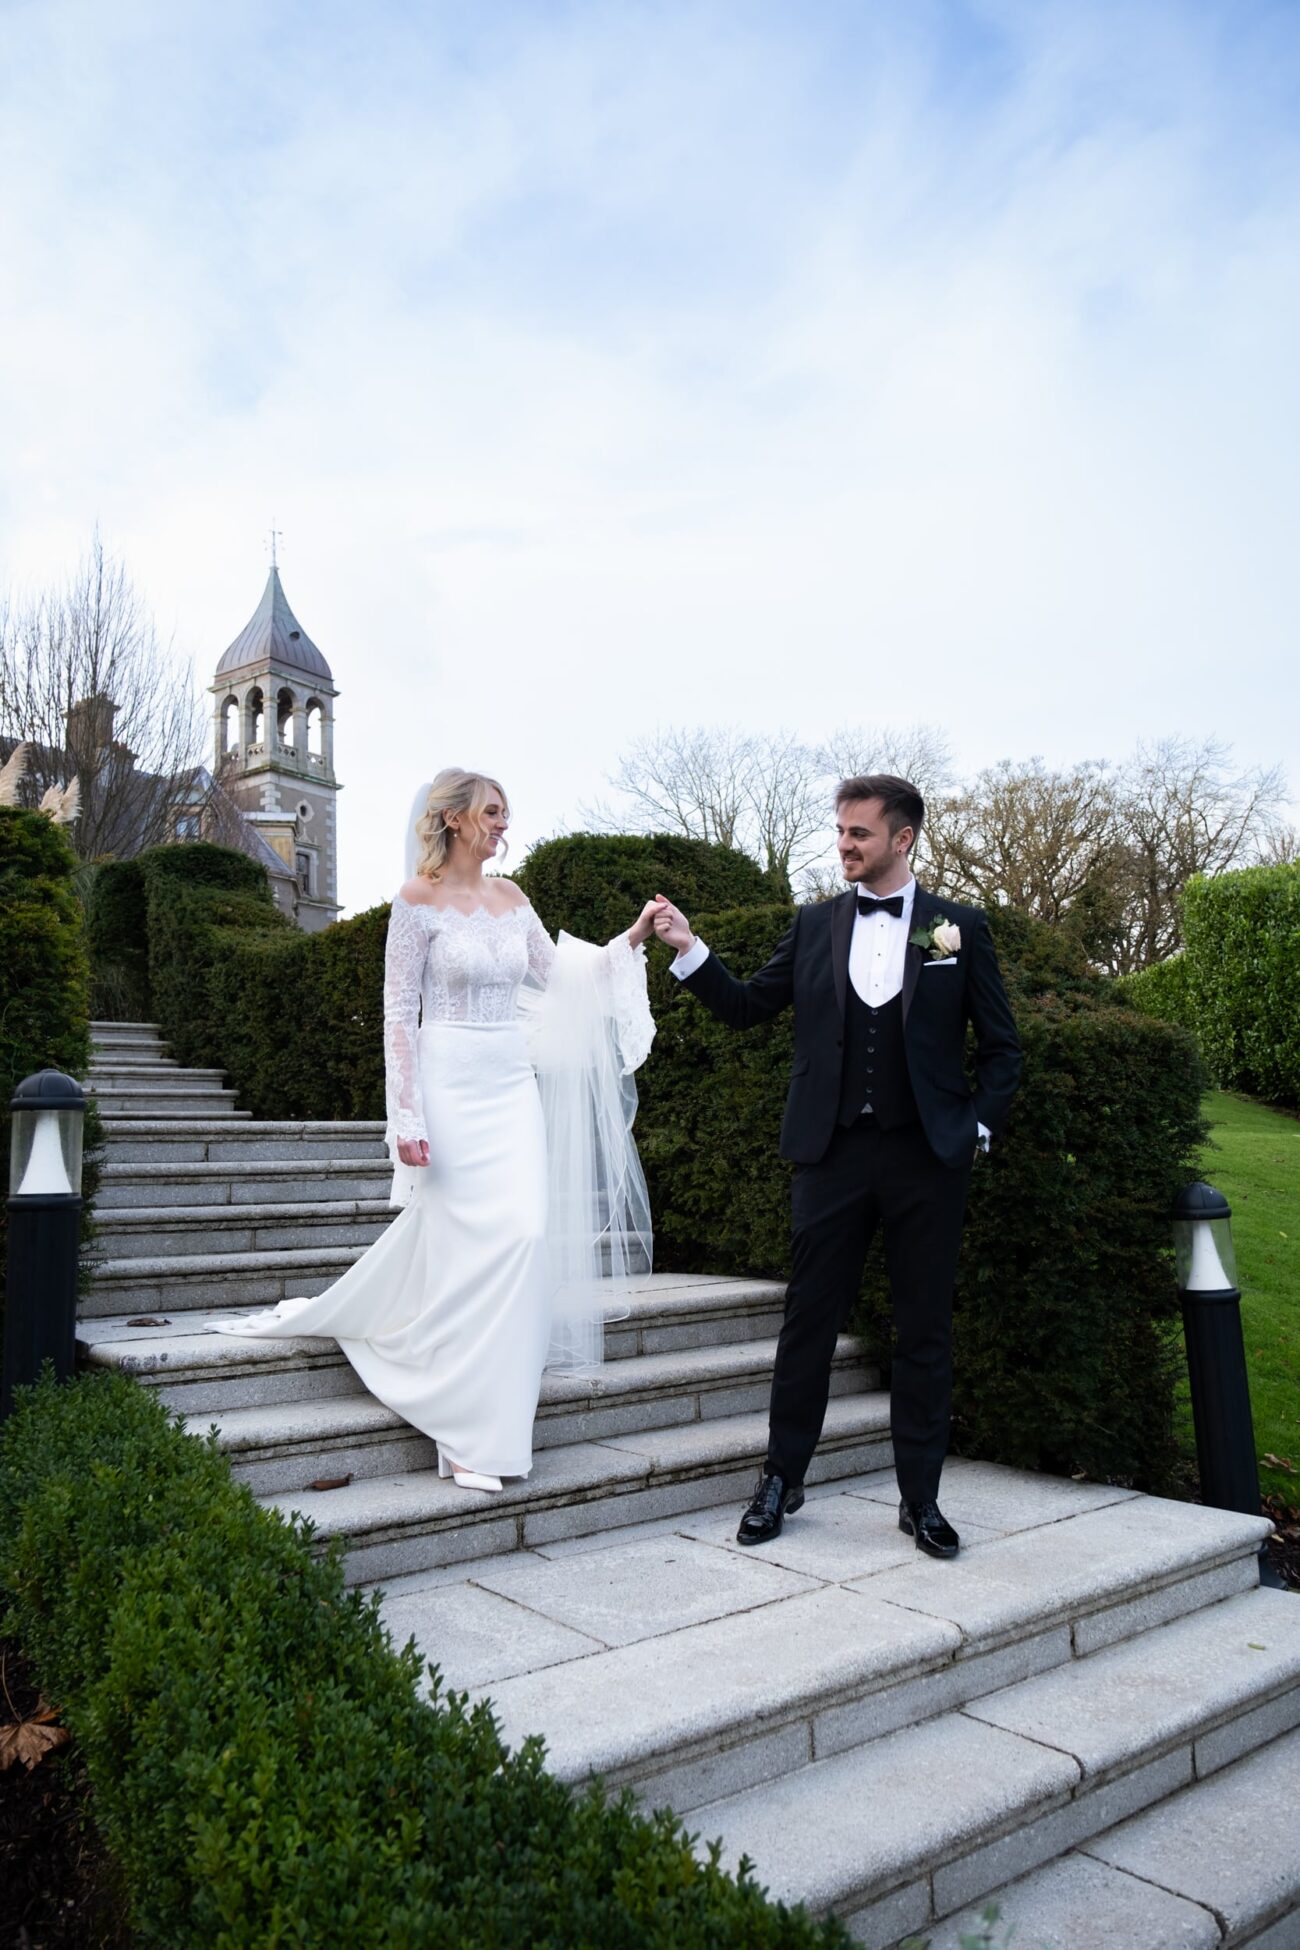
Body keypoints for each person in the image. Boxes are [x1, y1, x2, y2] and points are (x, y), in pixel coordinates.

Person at [213, 768, 657, 1494]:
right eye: (491, 813)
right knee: (460, 1253)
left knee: (523, 1236)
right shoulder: (415, 903)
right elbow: (398, 1016)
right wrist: (406, 1118)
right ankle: (467, 1436)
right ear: (452, 819)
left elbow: (562, 979)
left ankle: (486, 1422)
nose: (502, 826)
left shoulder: (513, 900)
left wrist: (631, 939)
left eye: (505, 815)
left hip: (511, 1086)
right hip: (449, 1085)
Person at [652, 774, 1021, 1556]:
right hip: (831, 1155)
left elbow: (1002, 1049)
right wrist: (691, 952)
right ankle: (782, 1478)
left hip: (928, 1159)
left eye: (859, 833)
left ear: (903, 838)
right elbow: (751, 1006)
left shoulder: (959, 928)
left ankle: (920, 1499)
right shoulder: (815, 924)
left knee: (923, 1330)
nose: (845, 844)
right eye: (842, 831)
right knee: (807, 1325)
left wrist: (975, 1128)